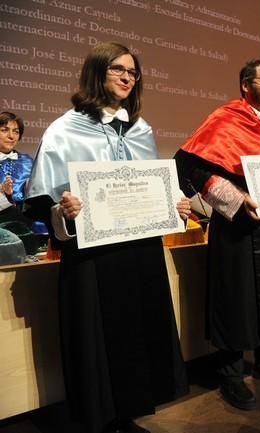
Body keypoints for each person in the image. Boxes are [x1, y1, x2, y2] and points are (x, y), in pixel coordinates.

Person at [24, 42, 189, 433]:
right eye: (118, 69)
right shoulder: (65, 129)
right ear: (97, 72)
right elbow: (39, 201)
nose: (127, 77)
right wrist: (62, 211)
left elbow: (153, 185)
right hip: (94, 256)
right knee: (97, 336)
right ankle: (98, 421)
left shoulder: (140, 129)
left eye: (133, 72)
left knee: (136, 331)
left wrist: (175, 205)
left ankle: (127, 414)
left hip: (139, 250)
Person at [175, 58, 260, 411]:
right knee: (236, 297)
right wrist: (236, 198)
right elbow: (191, 167)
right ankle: (230, 371)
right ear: (246, 85)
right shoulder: (224, 119)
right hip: (239, 227)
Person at [0, 111, 33, 223]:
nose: (11, 136)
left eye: (16, 132)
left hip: (24, 220)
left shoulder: (27, 161)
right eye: (4, 130)